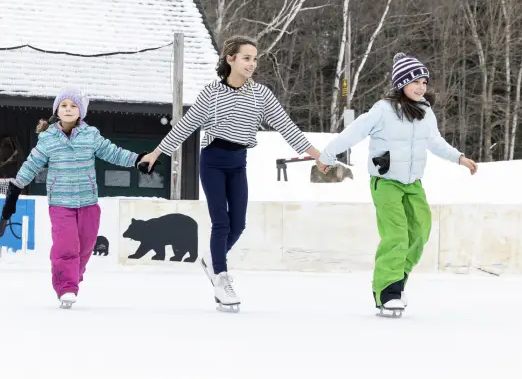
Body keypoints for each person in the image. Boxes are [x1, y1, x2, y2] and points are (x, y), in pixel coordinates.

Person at [138, 35, 328, 312]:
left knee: (238, 224)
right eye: (246, 58)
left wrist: (317, 156)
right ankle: (221, 278)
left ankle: (212, 260)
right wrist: (156, 153)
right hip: (213, 160)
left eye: (254, 59)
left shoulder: (261, 95)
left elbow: (287, 127)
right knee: (222, 223)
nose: (252, 64)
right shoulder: (212, 93)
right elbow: (185, 126)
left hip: (239, 162)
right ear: (231, 59)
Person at [316, 53, 478, 317]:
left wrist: (458, 157)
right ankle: (387, 291)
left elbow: (434, 142)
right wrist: (327, 155)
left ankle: (397, 276)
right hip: (386, 181)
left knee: (420, 230)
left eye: (424, 82)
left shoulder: (425, 112)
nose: (421, 87)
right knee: (396, 234)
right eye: (415, 81)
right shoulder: (383, 110)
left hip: (413, 183)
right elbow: (353, 132)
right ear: (401, 83)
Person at [0, 86, 155, 309]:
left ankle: (72, 277)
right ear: (57, 110)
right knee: (66, 245)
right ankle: (66, 286)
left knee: (85, 247)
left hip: (88, 202)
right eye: (63, 105)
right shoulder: (48, 139)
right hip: (61, 204)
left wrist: (136, 159)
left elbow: (113, 152)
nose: (68, 109)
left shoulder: (91, 135)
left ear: (81, 111)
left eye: (73, 106)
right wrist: (15, 189)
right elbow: (31, 165)